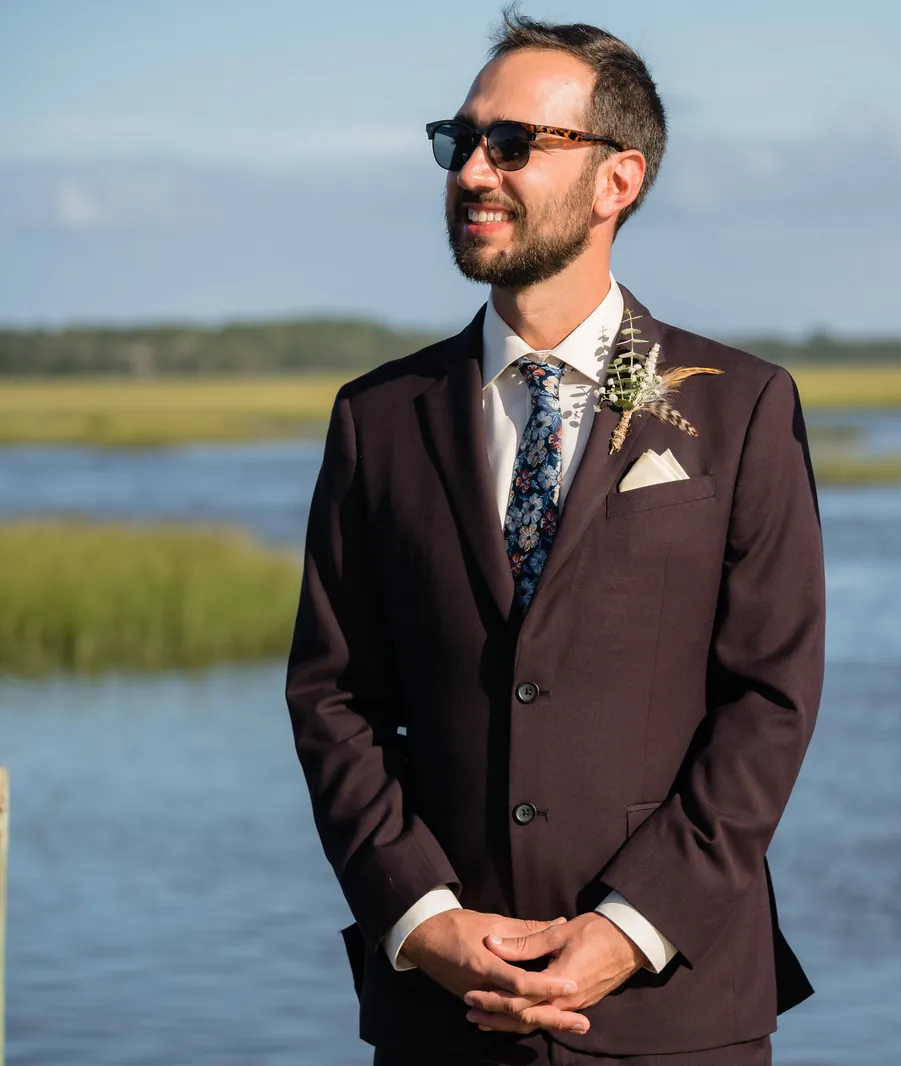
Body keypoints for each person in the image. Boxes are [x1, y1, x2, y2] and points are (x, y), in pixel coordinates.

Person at [284, 17, 824, 1066]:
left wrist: (630, 926)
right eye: (461, 141)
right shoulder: (377, 417)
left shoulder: (739, 406)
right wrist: (421, 915)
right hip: (442, 1015)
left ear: (618, 178)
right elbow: (333, 695)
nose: (472, 172)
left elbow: (770, 699)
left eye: (513, 144)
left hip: (674, 1013)